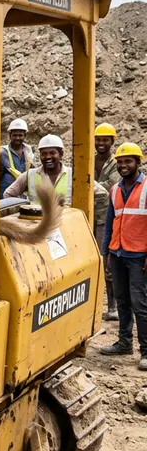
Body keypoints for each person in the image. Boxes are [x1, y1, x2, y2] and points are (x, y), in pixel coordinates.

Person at [100, 143, 147, 370]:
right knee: (123, 300)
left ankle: (146, 351)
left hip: (139, 255)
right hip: (118, 253)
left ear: (138, 162)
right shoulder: (115, 189)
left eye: (128, 161)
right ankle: (124, 342)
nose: (122, 165)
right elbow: (110, 223)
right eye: (119, 162)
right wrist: (106, 252)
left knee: (141, 304)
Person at [94, 123, 120, 320]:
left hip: (106, 218)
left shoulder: (116, 163)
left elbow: (112, 186)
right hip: (87, 216)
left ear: (112, 141)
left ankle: (112, 307)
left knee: (107, 262)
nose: (101, 143)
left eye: (105, 140)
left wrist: (89, 184)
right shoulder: (90, 159)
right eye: (98, 139)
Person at [3, 134, 71, 202]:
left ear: (61, 154)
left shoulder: (73, 176)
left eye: (52, 153)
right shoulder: (29, 175)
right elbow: (8, 194)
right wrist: (22, 208)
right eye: (44, 154)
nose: (48, 157)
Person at [0, 118, 34, 199]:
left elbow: (31, 171)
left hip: (23, 197)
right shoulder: (2, 153)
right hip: (5, 197)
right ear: (10, 135)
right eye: (15, 135)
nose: (17, 138)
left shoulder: (28, 150)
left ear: (25, 135)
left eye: (20, 135)